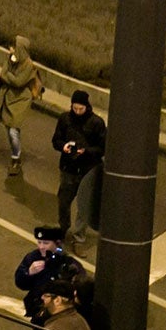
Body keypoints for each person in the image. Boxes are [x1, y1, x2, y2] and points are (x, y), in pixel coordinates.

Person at [51, 92, 107, 246]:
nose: (77, 112)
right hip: (68, 168)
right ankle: (63, 228)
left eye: (80, 109)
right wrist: (64, 146)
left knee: (84, 206)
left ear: (86, 106)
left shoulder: (96, 123)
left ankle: (79, 237)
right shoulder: (65, 119)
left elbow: (102, 148)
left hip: (87, 170)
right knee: (63, 201)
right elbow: (56, 140)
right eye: (75, 108)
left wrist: (86, 151)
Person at [0, 36, 43, 175]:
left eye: (13, 48)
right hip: (9, 98)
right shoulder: (11, 60)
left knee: (13, 130)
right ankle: (16, 151)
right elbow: (4, 74)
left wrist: (7, 75)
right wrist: (8, 74)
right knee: (9, 127)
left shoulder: (28, 65)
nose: (11, 50)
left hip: (20, 100)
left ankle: (16, 158)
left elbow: (18, 81)